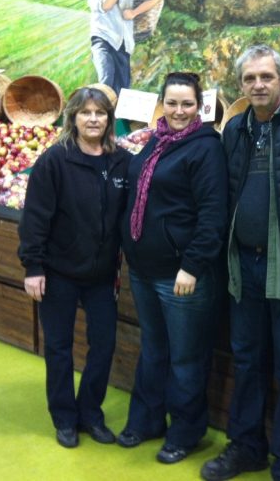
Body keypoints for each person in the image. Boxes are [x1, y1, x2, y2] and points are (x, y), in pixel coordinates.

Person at [201, 44, 280, 481]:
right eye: (250, 78)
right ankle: (246, 446)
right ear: (241, 84)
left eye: (266, 76)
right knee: (247, 360)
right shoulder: (235, 130)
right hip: (243, 268)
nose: (258, 85)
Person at [118, 72, 228, 464]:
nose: (179, 111)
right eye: (172, 102)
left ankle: (185, 431)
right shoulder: (155, 142)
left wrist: (192, 265)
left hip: (181, 276)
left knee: (186, 358)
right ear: (161, 103)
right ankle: (147, 420)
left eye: (187, 104)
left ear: (200, 107)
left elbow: (214, 215)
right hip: (143, 270)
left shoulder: (205, 149)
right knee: (153, 349)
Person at [17, 87, 130, 449]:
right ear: (74, 118)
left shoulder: (121, 162)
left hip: (101, 276)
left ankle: (90, 414)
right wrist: (33, 266)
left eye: (100, 113)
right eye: (86, 113)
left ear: (110, 120)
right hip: (58, 272)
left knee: (103, 345)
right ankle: (64, 417)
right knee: (59, 347)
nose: (93, 119)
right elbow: (34, 217)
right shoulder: (55, 161)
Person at [86, 0, 159, 95]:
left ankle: (118, 119)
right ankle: (102, 116)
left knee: (123, 90)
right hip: (102, 37)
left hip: (123, 42)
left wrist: (134, 13)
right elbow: (106, 6)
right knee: (106, 79)